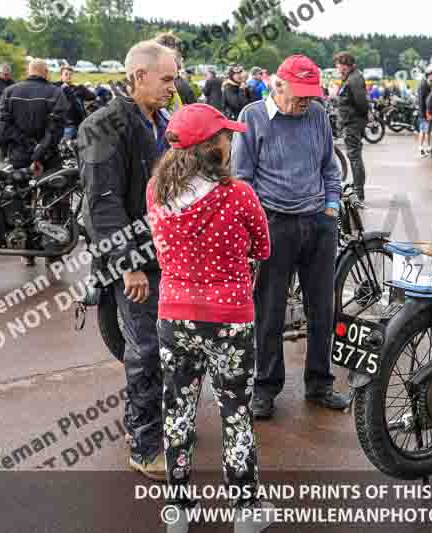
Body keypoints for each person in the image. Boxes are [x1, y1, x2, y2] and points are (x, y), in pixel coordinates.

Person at [147, 103, 273, 533]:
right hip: (229, 317)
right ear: (213, 148)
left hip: (174, 314)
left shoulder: (155, 191)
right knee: (235, 409)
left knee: (177, 408)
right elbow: (263, 248)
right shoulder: (238, 195)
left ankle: (177, 509)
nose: (231, 141)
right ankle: (246, 510)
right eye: (226, 136)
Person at [80, 40, 177, 480]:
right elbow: (103, 204)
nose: (174, 88)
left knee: (169, 347)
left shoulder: (164, 121)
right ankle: (144, 446)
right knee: (146, 351)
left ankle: (157, 424)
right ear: (139, 76)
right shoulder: (104, 125)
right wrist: (130, 264)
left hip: (166, 254)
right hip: (132, 261)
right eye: (167, 79)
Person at [232, 54, 347, 420]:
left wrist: (331, 205)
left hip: (318, 221)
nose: (305, 102)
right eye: (300, 94)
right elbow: (242, 178)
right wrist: (255, 225)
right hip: (275, 224)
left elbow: (330, 164)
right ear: (276, 85)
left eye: (311, 95)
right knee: (269, 311)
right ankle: (265, 387)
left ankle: (319, 383)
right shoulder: (251, 117)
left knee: (322, 309)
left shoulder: (317, 115)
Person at [0, 58, 68, 173]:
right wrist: (40, 150)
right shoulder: (56, 93)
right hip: (48, 158)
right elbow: (57, 127)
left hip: (19, 156)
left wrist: (8, 150)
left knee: (20, 190)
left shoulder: (9, 92)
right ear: (46, 72)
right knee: (53, 190)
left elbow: (2, 127)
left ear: (28, 72)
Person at [334, 51, 369, 203]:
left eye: (339, 65)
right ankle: (357, 188)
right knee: (354, 156)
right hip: (351, 122)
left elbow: (362, 103)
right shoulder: (351, 77)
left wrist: (355, 120)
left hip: (352, 123)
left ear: (346, 65)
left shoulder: (354, 79)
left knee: (354, 157)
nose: (337, 68)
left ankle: (358, 192)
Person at [55, 65, 96, 140]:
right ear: (61, 76)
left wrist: (82, 89)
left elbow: (93, 96)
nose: (68, 76)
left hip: (79, 124)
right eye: (66, 74)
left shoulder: (77, 88)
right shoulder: (56, 87)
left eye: (70, 74)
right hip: (65, 125)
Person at [416, 69, 432, 157]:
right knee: (424, 131)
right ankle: (421, 148)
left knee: (427, 131)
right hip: (424, 112)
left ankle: (428, 148)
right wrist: (425, 113)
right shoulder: (423, 85)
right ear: (428, 76)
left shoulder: (430, 84)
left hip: (428, 112)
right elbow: (421, 101)